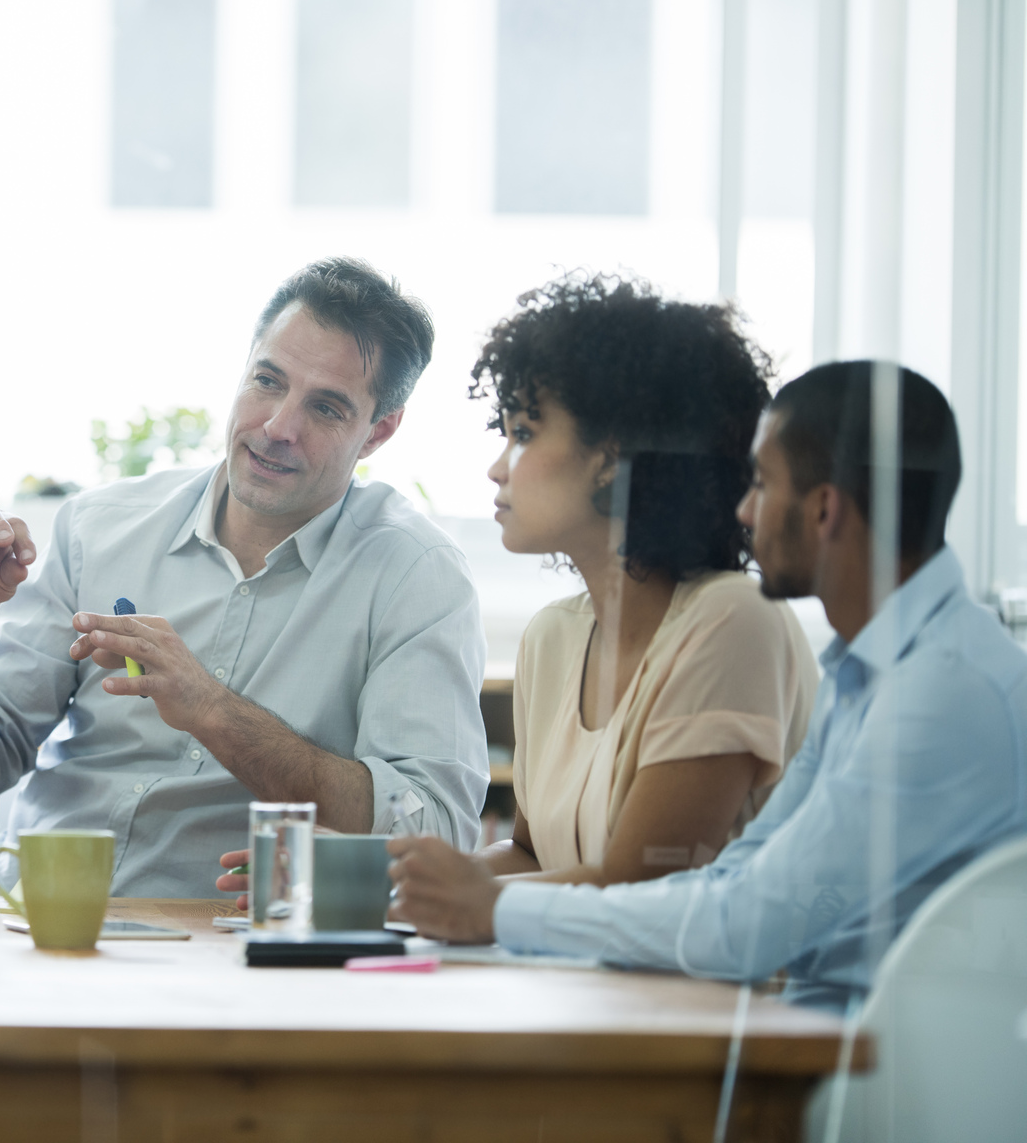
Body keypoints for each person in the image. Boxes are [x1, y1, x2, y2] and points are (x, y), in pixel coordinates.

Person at [388, 361, 1027, 1013]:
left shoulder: (941, 693)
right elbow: (733, 877)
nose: (745, 511)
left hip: (873, 1084)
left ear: (825, 509)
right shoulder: (869, 672)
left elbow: (745, 925)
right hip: (821, 1053)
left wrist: (500, 911)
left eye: (762, 485)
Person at [0, 257, 489, 895]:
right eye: (267, 380)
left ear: (378, 432)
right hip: (49, 923)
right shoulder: (98, 528)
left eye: (325, 409)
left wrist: (214, 711)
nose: (278, 427)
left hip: (242, 946)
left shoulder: (416, 576)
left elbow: (434, 833)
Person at [470, 276, 816, 885]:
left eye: (524, 433)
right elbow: (530, 856)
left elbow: (639, 887)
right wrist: (386, 884)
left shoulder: (735, 621)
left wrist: (450, 898)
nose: (497, 468)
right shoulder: (551, 638)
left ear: (610, 457)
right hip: (576, 982)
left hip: (705, 983)